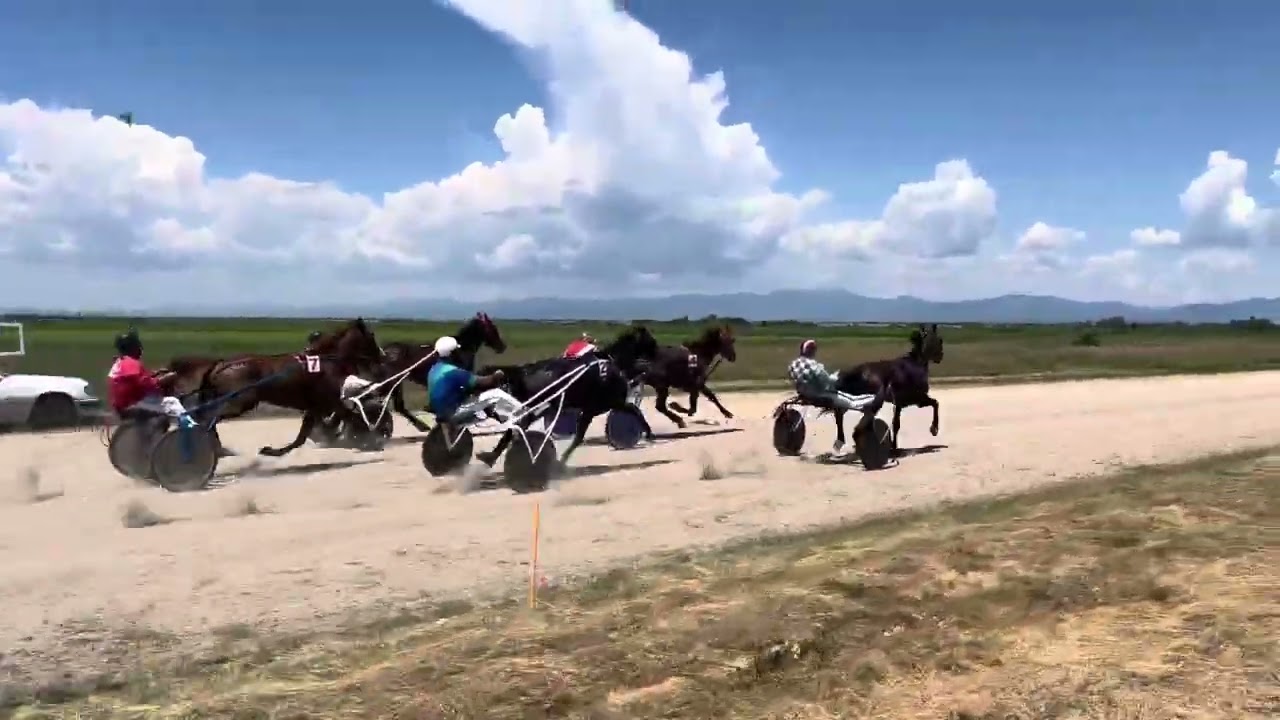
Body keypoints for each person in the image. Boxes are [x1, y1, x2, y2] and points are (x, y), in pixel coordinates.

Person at [787, 339, 873, 453]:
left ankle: (841, 439)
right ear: (811, 351)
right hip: (820, 394)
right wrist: (835, 376)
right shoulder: (814, 366)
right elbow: (827, 381)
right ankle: (873, 399)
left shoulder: (793, 364)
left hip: (804, 393)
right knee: (853, 401)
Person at [427, 336, 516, 425]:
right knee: (496, 394)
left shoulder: (434, 370)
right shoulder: (454, 372)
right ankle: (523, 414)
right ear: (452, 353)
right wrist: (496, 375)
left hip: (439, 413)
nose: (459, 353)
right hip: (452, 415)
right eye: (457, 351)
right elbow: (485, 382)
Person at [107, 329, 185, 426]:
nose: (140, 348)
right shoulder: (131, 363)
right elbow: (146, 384)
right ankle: (191, 430)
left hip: (123, 404)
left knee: (162, 402)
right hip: (132, 404)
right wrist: (166, 379)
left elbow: (134, 380)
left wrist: (156, 373)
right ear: (131, 348)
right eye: (137, 345)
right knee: (173, 402)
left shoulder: (121, 362)